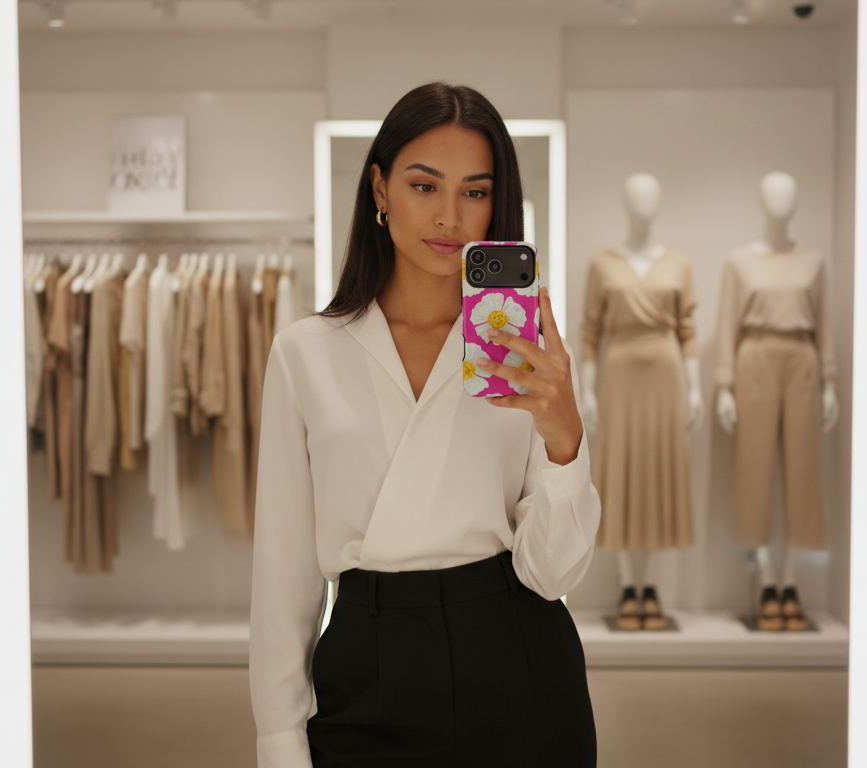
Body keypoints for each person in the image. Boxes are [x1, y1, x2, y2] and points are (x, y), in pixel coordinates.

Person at [248, 82, 602, 768]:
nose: (450, 216)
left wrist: (565, 439)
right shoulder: (306, 353)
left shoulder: (532, 354)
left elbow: (554, 572)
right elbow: (282, 575)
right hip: (366, 671)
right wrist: (279, 741)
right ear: (379, 190)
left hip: (520, 665)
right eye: (424, 185)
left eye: (475, 191)